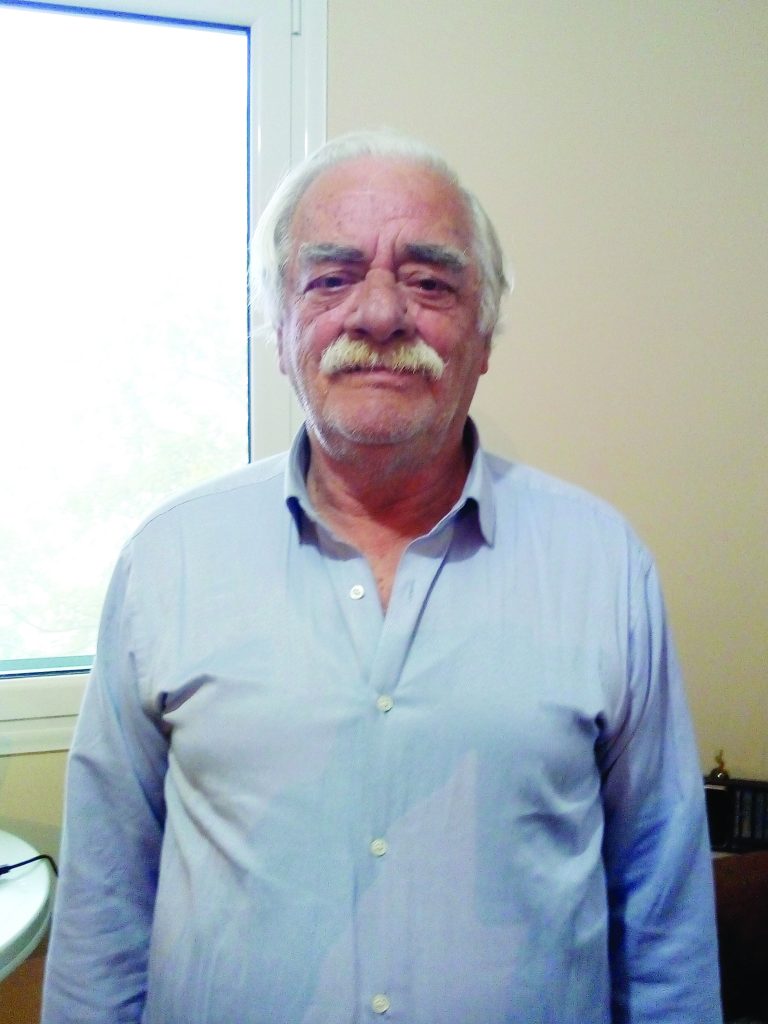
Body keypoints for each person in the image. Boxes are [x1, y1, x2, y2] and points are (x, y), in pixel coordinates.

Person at [42, 130, 721, 1023]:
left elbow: (663, 915)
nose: (378, 315)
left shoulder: (605, 567)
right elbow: (103, 911)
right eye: (330, 278)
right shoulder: (166, 563)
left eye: (430, 282)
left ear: (485, 334)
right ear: (279, 330)